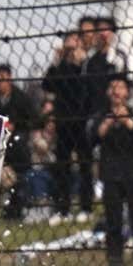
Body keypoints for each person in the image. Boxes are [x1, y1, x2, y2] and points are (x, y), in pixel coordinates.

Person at [94, 75, 133, 266]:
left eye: (120, 87)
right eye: (113, 87)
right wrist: (109, 121)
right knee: (113, 222)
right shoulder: (101, 115)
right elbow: (93, 138)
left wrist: (127, 120)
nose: (116, 91)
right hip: (110, 174)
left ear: (127, 92)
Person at [42, 30, 93, 223]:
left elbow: (87, 88)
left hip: (82, 120)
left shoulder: (86, 65)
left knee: (84, 165)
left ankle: (86, 207)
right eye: (69, 41)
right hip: (63, 121)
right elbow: (47, 85)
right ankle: (62, 208)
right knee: (62, 166)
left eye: (75, 40)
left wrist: (81, 64)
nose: (72, 45)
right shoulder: (61, 66)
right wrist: (57, 61)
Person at [0, 64, 38, 220]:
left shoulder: (21, 98)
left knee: (20, 179)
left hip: (17, 147)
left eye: (4, 79)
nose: (0, 83)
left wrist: (15, 125)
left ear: (10, 79)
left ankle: (15, 211)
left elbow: (34, 120)